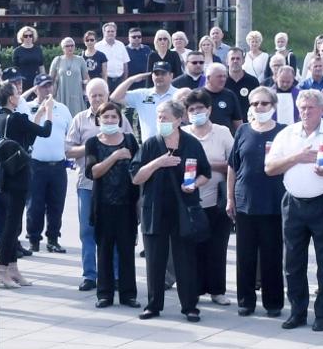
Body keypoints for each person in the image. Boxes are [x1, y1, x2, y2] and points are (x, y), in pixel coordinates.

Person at [267, 88, 323, 332]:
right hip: (293, 202)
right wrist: (297, 157)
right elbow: (270, 168)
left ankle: (322, 313)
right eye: (302, 108)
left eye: (310, 108)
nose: (305, 112)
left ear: (322, 110)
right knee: (293, 261)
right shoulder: (287, 134)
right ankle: (297, 311)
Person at [133, 98, 209, 322]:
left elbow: (205, 173)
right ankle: (153, 305)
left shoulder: (192, 143)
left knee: (185, 259)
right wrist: (157, 163)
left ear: (178, 120)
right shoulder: (150, 144)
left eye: (164, 117)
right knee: (155, 259)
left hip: (183, 209)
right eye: (158, 117)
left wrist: (195, 184)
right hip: (155, 209)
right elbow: (136, 177)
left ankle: (190, 306)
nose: (160, 121)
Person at [227, 86, 285, 317]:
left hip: (273, 202)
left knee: (272, 254)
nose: (259, 107)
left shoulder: (283, 132)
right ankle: (246, 301)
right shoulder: (242, 131)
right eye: (255, 104)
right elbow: (233, 166)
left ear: (273, 106)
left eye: (264, 103)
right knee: (245, 255)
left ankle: (273, 302)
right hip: (245, 203)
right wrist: (230, 198)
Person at [0, 80, 50, 287]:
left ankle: (13, 268)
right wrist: (49, 113)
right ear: (11, 98)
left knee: (13, 222)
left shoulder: (0, 118)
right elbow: (45, 132)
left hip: (5, 174)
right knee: (11, 224)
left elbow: (28, 139)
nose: (20, 96)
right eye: (17, 93)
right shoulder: (16, 118)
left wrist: (39, 113)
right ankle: (1, 268)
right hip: (18, 175)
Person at [84, 100, 140, 308]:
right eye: (105, 117)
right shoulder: (93, 143)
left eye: (113, 117)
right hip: (103, 204)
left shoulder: (129, 140)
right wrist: (115, 156)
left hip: (126, 204)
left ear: (119, 119)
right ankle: (105, 294)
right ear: (99, 120)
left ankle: (128, 294)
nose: (109, 120)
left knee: (126, 250)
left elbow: (137, 170)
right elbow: (93, 172)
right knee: (104, 249)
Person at [182, 90, 234, 307]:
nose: (196, 112)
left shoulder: (222, 132)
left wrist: (206, 167)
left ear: (209, 109)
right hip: (191, 201)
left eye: (200, 108)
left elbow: (233, 163)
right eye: (192, 109)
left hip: (217, 200)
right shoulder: (183, 133)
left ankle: (217, 290)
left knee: (217, 247)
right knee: (191, 248)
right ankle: (192, 290)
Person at [66, 78, 112, 292]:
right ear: (87, 96)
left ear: (108, 95)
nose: (97, 99)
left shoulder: (116, 118)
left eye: (100, 95)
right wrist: (91, 146)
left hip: (114, 185)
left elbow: (130, 146)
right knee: (87, 230)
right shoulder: (80, 119)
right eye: (93, 95)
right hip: (87, 184)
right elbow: (68, 150)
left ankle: (115, 274)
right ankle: (89, 275)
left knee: (112, 230)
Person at [21, 74, 72, 254]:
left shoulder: (62, 109)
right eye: (43, 86)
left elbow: (69, 135)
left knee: (56, 204)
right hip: (36, 165)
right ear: (36, 89)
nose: (48, 89)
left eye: (50, 86)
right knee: (35, 205)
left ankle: (53, 239)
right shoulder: (27, 108)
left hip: (58, 165)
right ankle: (34, 239)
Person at [49, 37, 88, 116]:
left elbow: (86, 79)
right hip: (61, 93)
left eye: (72, 45)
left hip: (77, 94)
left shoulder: (80, 60)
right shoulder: (57, 60)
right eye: (67, 46)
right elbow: (50, 79)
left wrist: (86, 93)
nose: (70, 48)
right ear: (63, 48)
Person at [203, 63, 245, 129]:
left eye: (224, 76)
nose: (223, 79)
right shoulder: (197, 95)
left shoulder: (230, 95)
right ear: (208, 78)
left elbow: (238, 122)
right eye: (219, 76)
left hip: (226, 137)